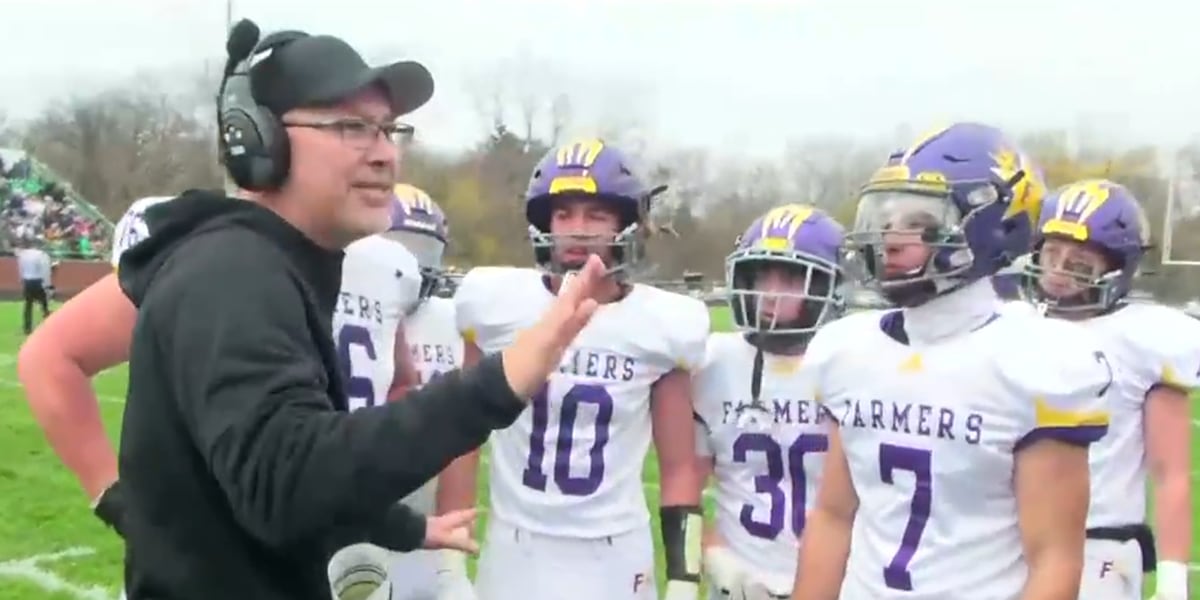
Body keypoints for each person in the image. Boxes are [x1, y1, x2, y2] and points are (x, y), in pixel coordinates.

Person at [792, 122, 1113, 600]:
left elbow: (1054, 559)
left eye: (919, 223)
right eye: (884, 219)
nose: (891, 239)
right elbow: (834, 517)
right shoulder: (846, 350)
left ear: (994, 226)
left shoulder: (1035, 361)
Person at [443, 138, 709, 600]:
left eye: (595, 215)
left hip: (614, 552)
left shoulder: (664, 324)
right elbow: (460, 437)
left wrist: (684, 577)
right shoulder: (494, 304)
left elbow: (680, 467)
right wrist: (447, 557)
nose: (577, 230)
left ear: (629, 224)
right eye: (563, 214)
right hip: (515, 544)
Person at [1022, 179, 1196, 600]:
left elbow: (1171, 473)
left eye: (1079, 263)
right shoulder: (1011, 325)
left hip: (1099, 544)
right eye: (1052, 255)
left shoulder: (1144, 336)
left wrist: (1173, 575)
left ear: (1117, 268)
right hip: (1010, 536)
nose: (1060, 272)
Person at [692, 204, 845, 600]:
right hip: (739, 585)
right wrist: (713, 554)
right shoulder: (714, 363)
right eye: (762, 275)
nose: (769, 294)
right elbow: (684, 489)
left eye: (790, 278)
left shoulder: (851, 366)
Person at [15, 238, 52, 333]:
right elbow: (45, 270)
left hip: (27, 281)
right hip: (38, 281)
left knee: (28, 305)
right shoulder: (42, 255)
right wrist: (47, 284)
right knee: (44, 303)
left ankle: (27, 327)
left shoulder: (23, 255)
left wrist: (21, 279)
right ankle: (48, 323)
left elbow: (20, 268)